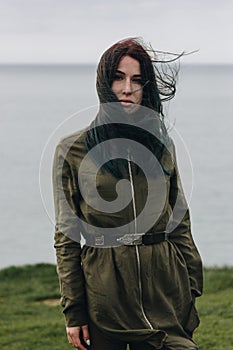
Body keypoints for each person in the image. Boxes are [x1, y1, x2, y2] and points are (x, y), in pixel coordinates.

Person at [52, 38, 203, 350]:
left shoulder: (163, 146)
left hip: (164, 293)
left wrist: (191, 287)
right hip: (105, 299)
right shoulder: (72, 150)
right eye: (118, 78)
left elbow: (180, 222)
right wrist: (73, 310)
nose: (127, 89)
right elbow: (67, 237)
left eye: (136, 80)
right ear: (104, 84)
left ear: (146, 87)